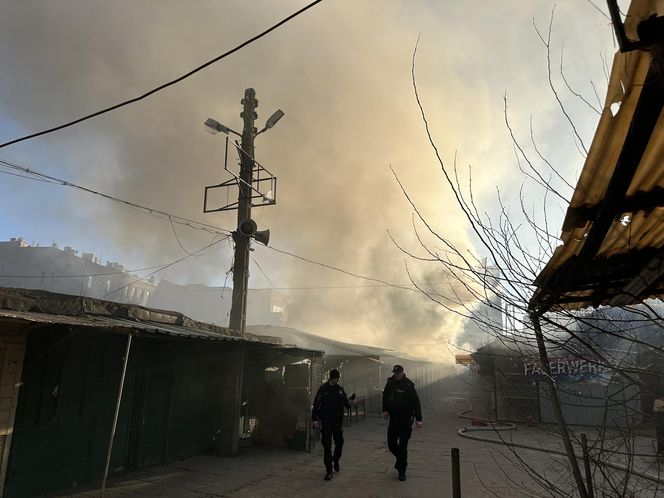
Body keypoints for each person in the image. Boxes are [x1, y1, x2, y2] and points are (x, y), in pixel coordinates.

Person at [382, 364, 422, 481]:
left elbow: (416, 402)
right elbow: (385, 397)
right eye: (394, 373)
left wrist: (419, 419)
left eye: (398, 373)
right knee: (391, 444)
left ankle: (401, 471)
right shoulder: (390, 382)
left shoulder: (409, 385)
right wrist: (384, 410)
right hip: (394, 419)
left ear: (402, 373)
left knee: (403, 445)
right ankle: (401, 460)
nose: (396, 375)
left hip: (405, 419)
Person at [312, 368, 351, 481]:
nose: (337, 380)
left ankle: (336, 460)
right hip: (326, 421)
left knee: (340, 443)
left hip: (337, 422)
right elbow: (316, 404)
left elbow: (346, 403)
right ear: (331, 378)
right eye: (336, 378)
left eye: (338, 378)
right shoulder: (323, 389)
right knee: (327, 446)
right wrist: (314, 419)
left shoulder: (340, 390)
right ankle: (329, 471)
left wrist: (350, 402)